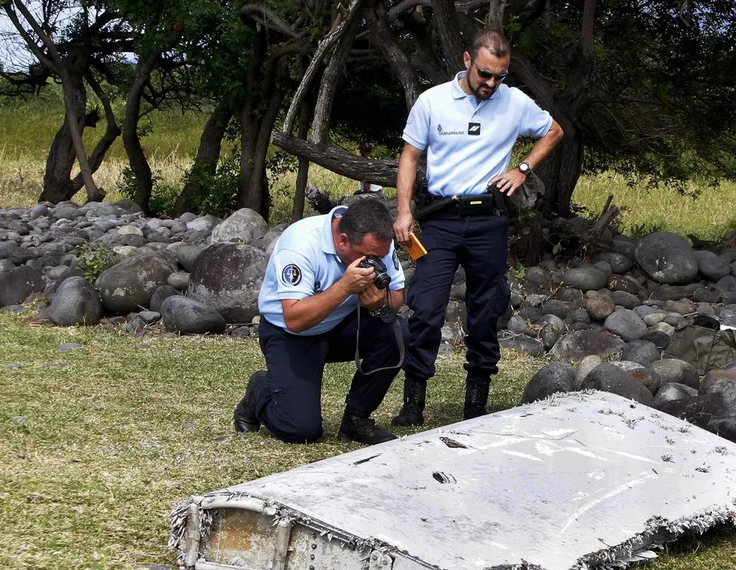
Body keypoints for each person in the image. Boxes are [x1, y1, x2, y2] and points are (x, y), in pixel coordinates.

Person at [391, 29, 564, 425]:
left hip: (488, 220)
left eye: (500, 76)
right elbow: (409, 156)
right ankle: (413, 403)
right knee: (427, 308)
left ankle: (476, 405)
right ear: (468, 60)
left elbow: (554, 131)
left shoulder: (514, 102)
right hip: (440, 219)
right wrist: (404, 212)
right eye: (485, 74)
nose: (491, 84)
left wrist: (523, 168)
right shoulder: (432, 101)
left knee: (486, 309)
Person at [233, 199, 407, 445]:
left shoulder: (378, 244)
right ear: (343, 240)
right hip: (291, 334)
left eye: (379, 257)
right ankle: (259, 390)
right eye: (367, 257)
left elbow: (397, 296)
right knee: (301, 430)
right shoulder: (300, 243)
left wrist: (379, 303)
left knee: (397, 332)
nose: (375, 263)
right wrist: (345, 287)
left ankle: (356, 419)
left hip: (340, 326)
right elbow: (294, 319)